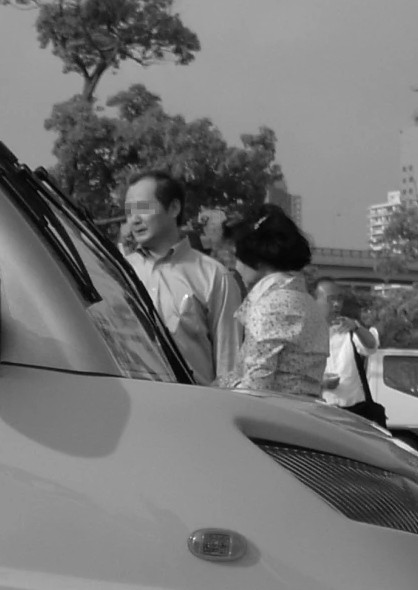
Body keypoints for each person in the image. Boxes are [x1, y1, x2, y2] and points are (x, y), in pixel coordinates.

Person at [121, 173, 240, 385]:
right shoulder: (117, 273)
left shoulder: (214, 276)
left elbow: (228, 366)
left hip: (192, 408)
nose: (134, 220)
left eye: (143, 208)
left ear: (174, 208)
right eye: (129, 212)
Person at [222, 206, 328, 398]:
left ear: (256, 258)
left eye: (236, 257)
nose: (234, 265)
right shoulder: (307, 302)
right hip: (308, 412)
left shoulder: (269, 306)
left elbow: (255, 388)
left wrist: (220, 387)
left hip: (274, 417)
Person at [317, 282, 380, 416]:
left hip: (354, 411)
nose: (336, 304)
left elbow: (371, 346)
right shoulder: (308, 334)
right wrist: (320, 381)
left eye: (339, 299)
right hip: (321, 411)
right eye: (331, 299)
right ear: (315, 301)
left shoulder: (349, 329)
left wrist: (357, 328)